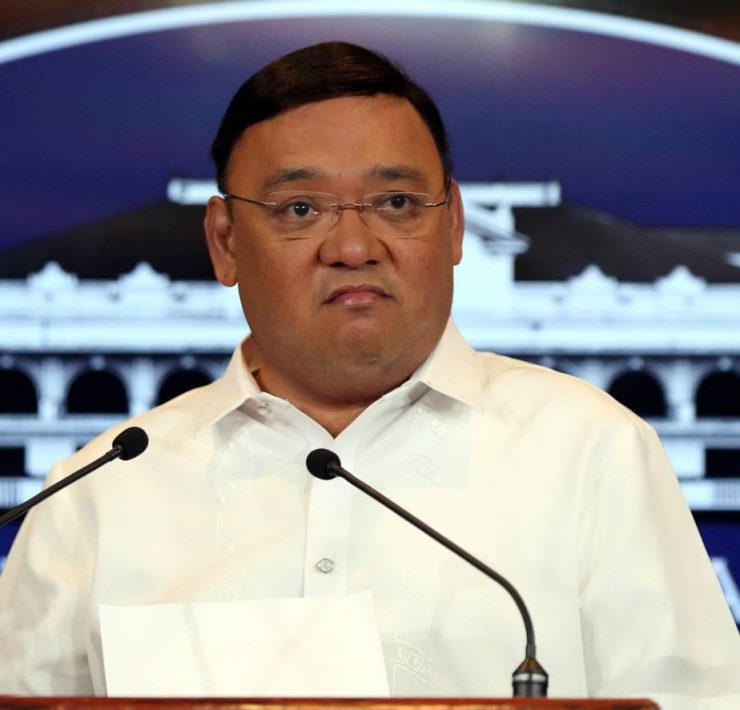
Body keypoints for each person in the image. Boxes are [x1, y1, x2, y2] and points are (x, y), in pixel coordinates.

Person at [0, 42, 738, 705]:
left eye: (397, 203)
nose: (353, 247)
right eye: (300, 208)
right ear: (225, 242)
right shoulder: (100, 493)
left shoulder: (591, 453)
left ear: (453, 226)